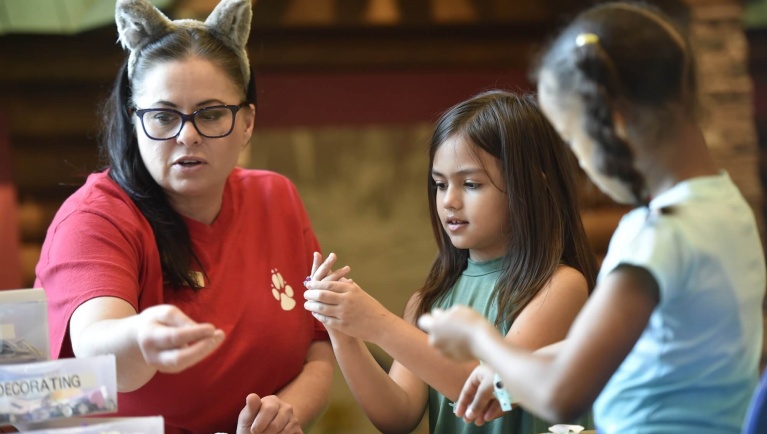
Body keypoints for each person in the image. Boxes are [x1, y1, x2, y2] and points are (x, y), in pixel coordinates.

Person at [418, 3, 767, 434]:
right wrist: (506, 372)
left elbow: (561, 395)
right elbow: (630, 346)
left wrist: (479, 340)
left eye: (573, 138)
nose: (581, 163)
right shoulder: (728, 205)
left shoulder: (657, 234)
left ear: (614, 123)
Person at [33, 0, 339, 433]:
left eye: (211, 114)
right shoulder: (94, 218)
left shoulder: (277, 196)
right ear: (134, 120)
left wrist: (287, 414)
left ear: (247, 122)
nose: (188, 135)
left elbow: (318, 348)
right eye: (163, 116)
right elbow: (100, 351)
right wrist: (142, 336)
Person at [303, 90, 599, 433]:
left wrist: (378, 323)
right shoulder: (428, 300)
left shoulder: (558, 287)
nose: (449, 201)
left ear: (531, 187)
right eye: (440, 185)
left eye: (471, 184)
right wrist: (344, 332)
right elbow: (396, 417)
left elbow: (486, 396)